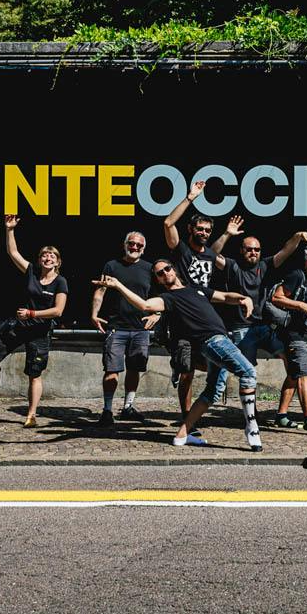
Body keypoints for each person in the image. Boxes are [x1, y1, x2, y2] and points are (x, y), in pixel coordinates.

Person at [94, 260, 258, 448]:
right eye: (159, 273)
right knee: (248, 373)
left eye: (167, 269)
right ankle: (252, 428)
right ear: (158, 279)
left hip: (221, 340)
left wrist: (244, 298)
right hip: (213, 341)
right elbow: (145, 305)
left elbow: (225, 296)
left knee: (212, 392)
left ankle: (182, 435)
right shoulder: (168, 298)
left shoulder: (197, 289)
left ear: (174, 270)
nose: (165, 273)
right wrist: (118, 285)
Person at [0, 215, 69, 428]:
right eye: (44, 255)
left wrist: (33, 314)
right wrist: (10, 230)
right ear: (40, 259)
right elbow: (13, 252)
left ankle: (31, 415)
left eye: (52, 256)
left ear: (57, 261)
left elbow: (58, 310)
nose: (48, 258)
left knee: (34, 374)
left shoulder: (60, 282)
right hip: (19, 326)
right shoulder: (32, 272)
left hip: (39, 331)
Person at [162, 180, 235, 420]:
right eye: (199, 229)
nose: (203, 233)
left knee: (210, 364)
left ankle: (181, 369)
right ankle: (186, 416)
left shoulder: (210, 253)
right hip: (183, 315)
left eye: (207, 230)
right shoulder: (181, 251)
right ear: (191, 230)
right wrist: (190, 197)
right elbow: (168, 223)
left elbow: (213, 251)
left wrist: (226, 234)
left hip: (204, 314)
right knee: (188, 371)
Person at [216, 220, 307, 366]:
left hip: (263, 326)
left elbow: (285, 251)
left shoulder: (264, 265)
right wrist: (227, 234)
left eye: (257, 249)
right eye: (249, 249)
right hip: (242, 327)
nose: (253, 252)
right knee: (247, 370)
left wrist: (297, 237)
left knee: (290, 359)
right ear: (241, 250)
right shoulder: (233, 266)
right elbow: (211, 255)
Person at [90, 230, 159, 428]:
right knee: (112, 370)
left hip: (140, 328)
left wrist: (157, 314)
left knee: (135, 368)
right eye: (131, 243)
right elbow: (100, 291)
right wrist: (94, 314)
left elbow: (159, 297)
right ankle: (107, 410)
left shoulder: (150, 268)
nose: (135, 247)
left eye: (139, 245)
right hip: (116, 327)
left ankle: (128, 406)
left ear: (144, 249)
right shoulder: (112, 266)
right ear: (125, 244)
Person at [270, 245, 307, 438]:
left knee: (294, 375)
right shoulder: (297, 275)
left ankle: (281, 415)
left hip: (306, 334)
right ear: (306, 260)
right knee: (304, 374)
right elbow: (276, 297)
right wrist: (301, 305)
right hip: (292, 334)